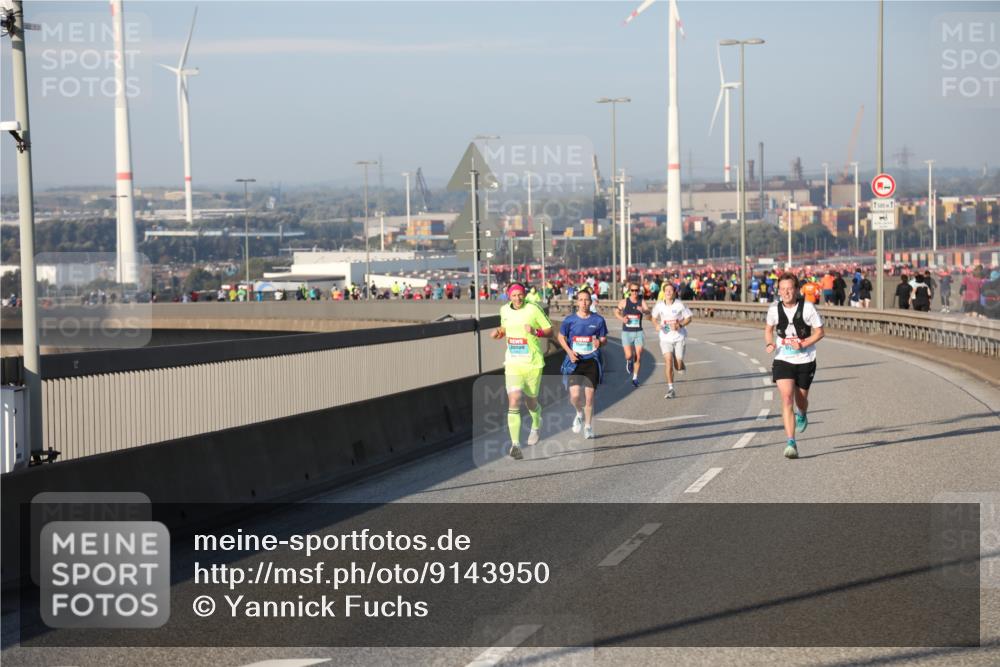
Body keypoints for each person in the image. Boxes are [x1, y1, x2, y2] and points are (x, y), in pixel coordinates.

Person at [764, 273, 825, 459]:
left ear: (797, 289)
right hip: (783, 359)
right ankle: (791, 442)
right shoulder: (774, 309)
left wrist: (803, 344)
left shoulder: (807, 308)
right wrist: (769, 343)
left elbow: (820, 332)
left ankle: (803, 412)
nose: (786, 292)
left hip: (806, 359)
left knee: (800, 400)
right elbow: (768, 330)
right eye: (782, 289)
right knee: (787, 398)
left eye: (789, 288)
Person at [491, 282, 553, 460]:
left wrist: (535, 331)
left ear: (524, 294)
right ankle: (515, 445)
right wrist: (498, 333)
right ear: (508, 296)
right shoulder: (504, 310)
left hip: (532, 363)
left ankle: (536, 423)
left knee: (531, 402)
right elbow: (505, 328)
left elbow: (549, 330)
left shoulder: (533, 309)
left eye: (520, 295)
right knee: (515, 398)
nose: (517, 298)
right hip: (513, 363)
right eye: (514, 295)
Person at [558, 290, 608, 440]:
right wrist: (569, 352)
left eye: (587, 300)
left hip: (592, 360)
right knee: (574, 396)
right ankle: (579, 413)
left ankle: (588, 426)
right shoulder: (569, 320)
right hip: (575, 361)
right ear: (577, 302)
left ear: (591, 302)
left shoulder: (598, 320)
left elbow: (604, 338)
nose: (584, 303)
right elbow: (561, 337)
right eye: (581, 300)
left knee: (589, 396)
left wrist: (600, 342)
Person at [651, 283, 693, 399]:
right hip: (665, 337)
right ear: (663, 292)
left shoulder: (680, 304)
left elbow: (689, 318)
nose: (668, 292)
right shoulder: (659, 305)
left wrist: (680, 324)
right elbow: (653, 318)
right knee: (668, 361)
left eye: (670, 290)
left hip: (679, 337)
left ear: (674, 292)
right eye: (666, 290)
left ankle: (680, 363)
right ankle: (671, 389)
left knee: (678, 365)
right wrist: (656, 325)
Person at [615, 282, 651, 388]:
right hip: (626, 332)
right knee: (629, 355)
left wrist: (643, 310)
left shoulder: (641, 301)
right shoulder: (624, 302)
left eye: (637, 290)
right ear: (629, 291)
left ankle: (635, 378)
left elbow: (648, 312)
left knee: (638, 355)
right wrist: (622, 319)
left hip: (638, 332)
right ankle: (628, 361)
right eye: (633, 290)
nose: (635, 293)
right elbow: (616, 312)